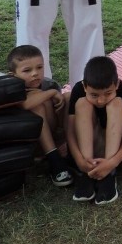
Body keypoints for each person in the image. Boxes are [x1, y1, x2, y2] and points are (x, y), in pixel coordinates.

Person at [66, 56, 122, 205]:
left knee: (116, 103)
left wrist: (112, 163)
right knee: (83, 103)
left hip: (113, 153)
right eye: (94, 95)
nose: (101, 100)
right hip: (88, 149)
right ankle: (87, 172)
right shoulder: (78, 90)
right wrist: (80, 160)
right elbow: (70, 132)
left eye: (108, 93)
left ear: (116, 84)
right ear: (85, 86)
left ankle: (108, 175)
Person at [7, 44, 72, 187]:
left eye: (39, 67)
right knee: (36, 103)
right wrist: (50, 94)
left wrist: (55, 94)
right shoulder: (12, 88)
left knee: (68, 96)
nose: (35, 73)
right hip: (30, 143)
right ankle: (54, 159)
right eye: (27, 70)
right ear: (13, 75)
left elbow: (58, 108)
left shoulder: (48, 83)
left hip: (54, 132)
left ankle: (73, 152)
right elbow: (25, 104)